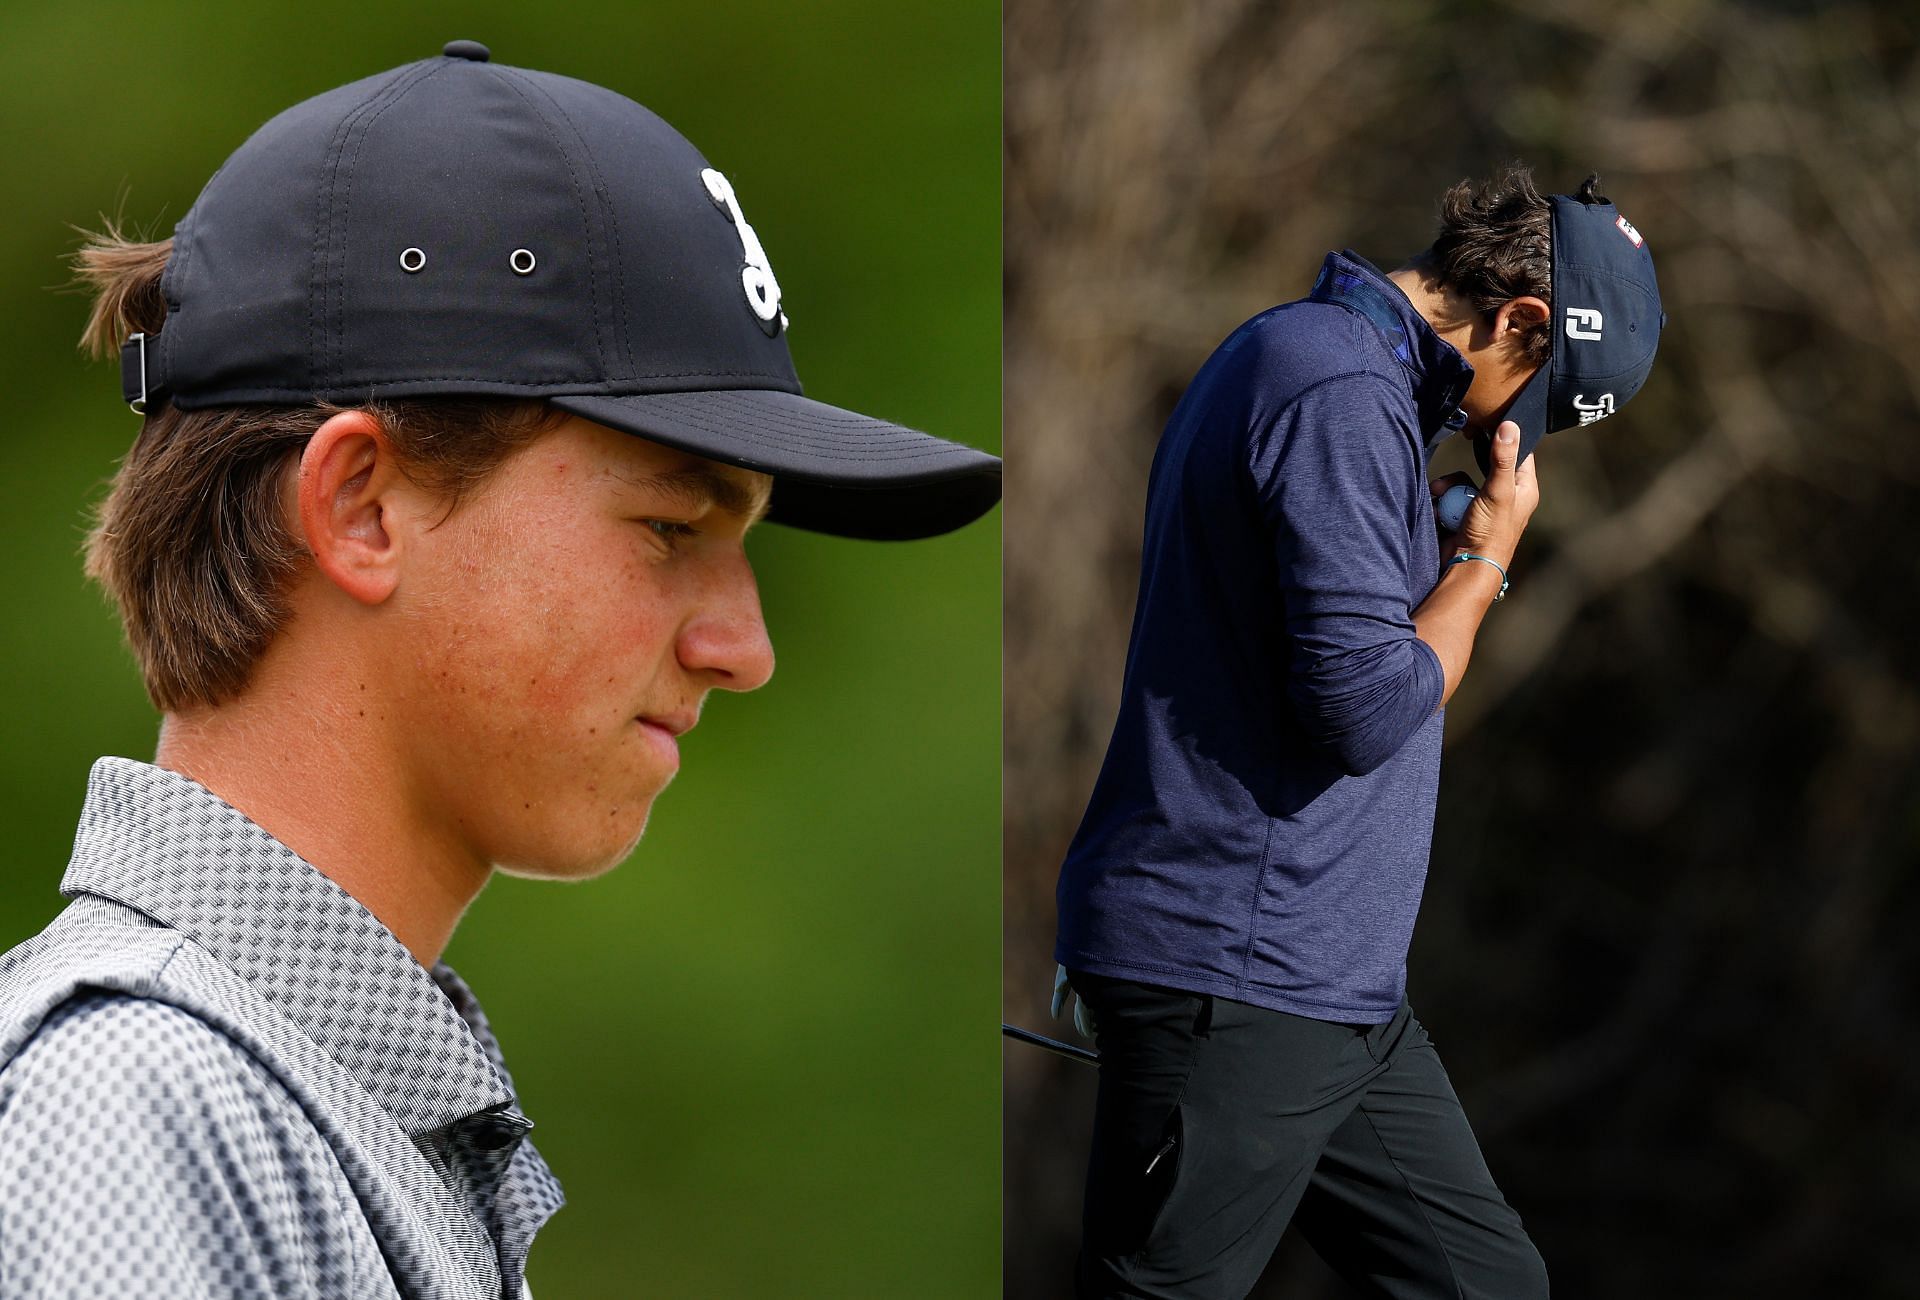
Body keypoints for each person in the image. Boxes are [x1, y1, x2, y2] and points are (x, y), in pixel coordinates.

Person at [0, 40, 999, 1300]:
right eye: (669, 528)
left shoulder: (290, 1099)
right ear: (361, 507)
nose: (743, 651)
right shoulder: (139, 1110)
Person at [1051, 167, 1662, 1298]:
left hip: (1334, 987)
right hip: (1237, 966)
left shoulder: (1348, 379)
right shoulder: (1334, 387)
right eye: (1528, 406)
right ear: (1520, 318)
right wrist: (1484, 559)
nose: (1512, 444)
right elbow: (1368, 707)